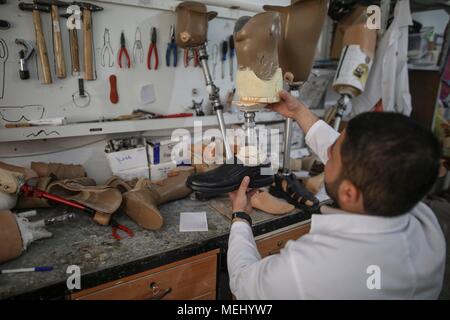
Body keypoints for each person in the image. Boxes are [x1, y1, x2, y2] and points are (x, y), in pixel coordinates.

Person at [227, 90, 446, 299]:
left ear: (349, 193)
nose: (327, 152)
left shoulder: (307, 269)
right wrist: (298, 112)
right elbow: (350, 156)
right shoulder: (424, 221)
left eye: (332, 154)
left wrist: (240, 218)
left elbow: (242, 283)